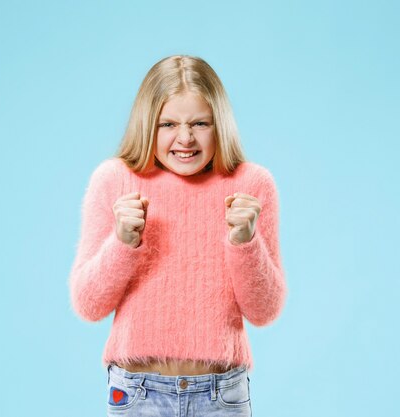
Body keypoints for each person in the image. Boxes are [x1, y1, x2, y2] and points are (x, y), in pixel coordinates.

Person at [68, 55, 287, 416]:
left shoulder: (251, 185)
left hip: (222, 394)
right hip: (138, 393)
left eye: (200, 123)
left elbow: (264, 312)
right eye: (167, 123)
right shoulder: (114, 180)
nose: (184, 138)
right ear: (147, 124)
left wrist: (245, 241)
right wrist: (123, 242)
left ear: (220, 124)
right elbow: (89, 305)